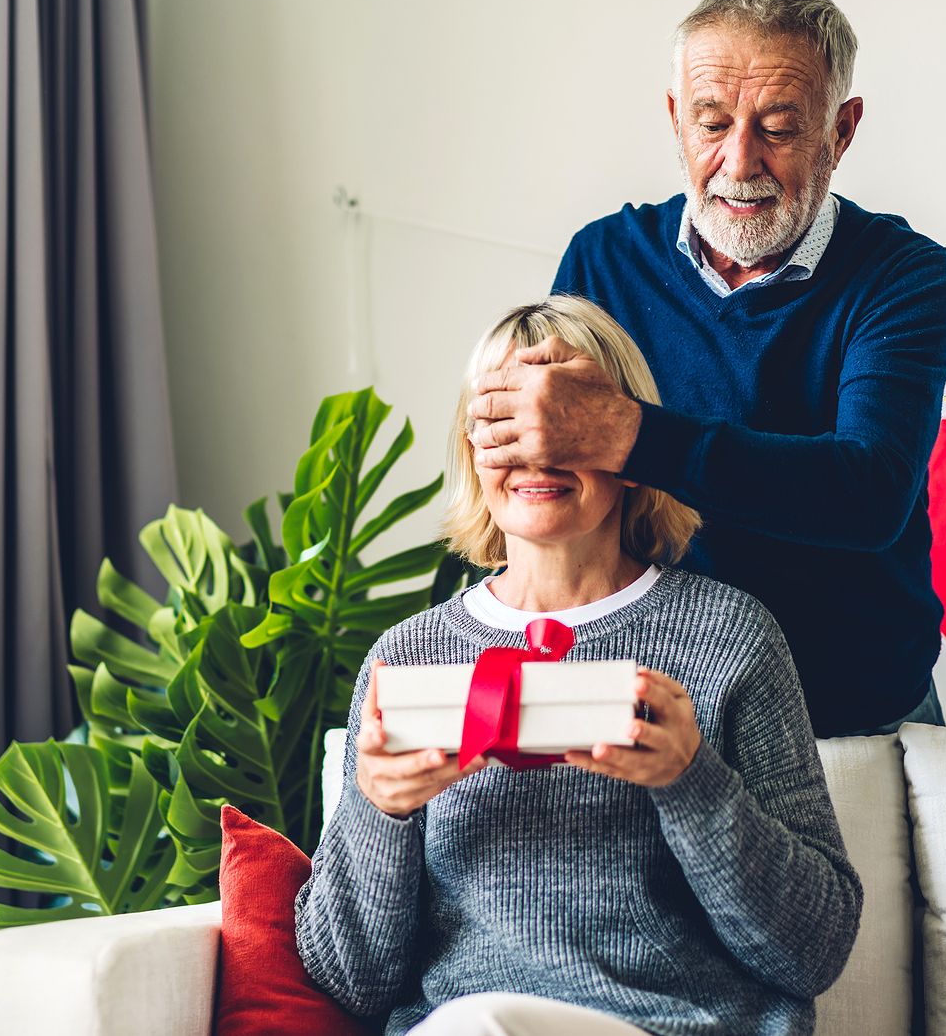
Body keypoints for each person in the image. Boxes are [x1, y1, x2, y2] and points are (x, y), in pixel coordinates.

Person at [296, 297, 862, 1036]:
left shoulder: (730, 638)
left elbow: (813, 951)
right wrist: (380, 807)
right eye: (506, 424)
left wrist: (691, 781)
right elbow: (348, 980)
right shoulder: (407, 659)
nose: (539, 454)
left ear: (630, 446)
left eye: (566, 420)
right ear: (472, 448)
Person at [468, 0, 946, 737]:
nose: (740, 161)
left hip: (853, 716)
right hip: (654, 708)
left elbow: (869, 491)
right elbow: (557, 491)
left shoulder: (904, 276)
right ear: (675, 117)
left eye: (779, 127)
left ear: (841, 131)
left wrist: (627, 434)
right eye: (711, 123)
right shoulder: (603, 261)